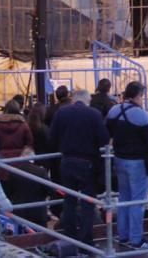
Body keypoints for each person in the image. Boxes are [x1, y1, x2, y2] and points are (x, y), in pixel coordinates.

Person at [49, 89, 110, 247]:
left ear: (73, 99)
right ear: (85, 100)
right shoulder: (94, 114)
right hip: (87, 162)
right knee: (87, 203)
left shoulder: (62, 113)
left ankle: (70, 238)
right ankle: (86, 240)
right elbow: (104, 139)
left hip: (67, 160)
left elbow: (52, 137)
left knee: (69, 200)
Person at [106, 81, 148, 250]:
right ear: (137, 96)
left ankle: (123, 235)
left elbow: (108, 131)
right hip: (137, 162)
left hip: (119, 159)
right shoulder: (142, 115)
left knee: (124, 198)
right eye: (142, 96)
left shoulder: (114, 110)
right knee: (137, 201)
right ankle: (137, 239)